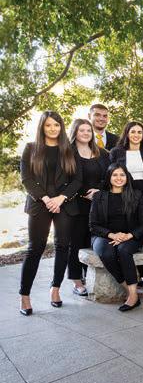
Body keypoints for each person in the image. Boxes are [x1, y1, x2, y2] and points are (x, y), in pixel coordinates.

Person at [18, 112, 81, 315]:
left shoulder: (69, 149)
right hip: (39, 203)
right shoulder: (31, 148)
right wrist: (46, 199)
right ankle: (25, 296)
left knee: (63, 246)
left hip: (64, 204)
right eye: (48, 125)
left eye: (56, 125)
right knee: (35, 248)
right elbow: (26, 178)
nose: (53, 129)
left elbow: (77, 180)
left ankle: (55, 289)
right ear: (42, 127)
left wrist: (61, 198)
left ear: (61, 127)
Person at [90, 164, 143, 311]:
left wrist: (128, 236)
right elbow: (93, 225)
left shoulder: (136, 195)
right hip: (103, 235)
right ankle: (131, 291)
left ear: (127, 177)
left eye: (122, 175)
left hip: (130, 236)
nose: (119, 178)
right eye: (115, 175)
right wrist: (112, 235)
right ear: (109, 177)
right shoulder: (99, 196)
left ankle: (133, 297)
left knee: (123, 251)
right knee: (106, 253)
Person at [109, 121, 143, 285]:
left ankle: (140, 274)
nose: (136, 135)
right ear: (127, 134)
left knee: (141, 233)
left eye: (139, 132)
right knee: (125, 230)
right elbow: (112, 173)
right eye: (133, 132)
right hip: (124, 194)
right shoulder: (116, 152)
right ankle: (127, 270)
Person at [69, 118, 110, 297]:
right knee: (76, 242)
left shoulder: (102, 153)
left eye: (88, 130)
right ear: (75, 132)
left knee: (91, 241)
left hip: (99, 204)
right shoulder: (67, 154)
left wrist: (99, 191)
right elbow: (65, 180)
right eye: (82, 130)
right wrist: (81, 193)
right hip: (76, 204)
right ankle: (77, 281)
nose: (86, 133)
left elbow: (109, 177)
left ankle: (89, 275)